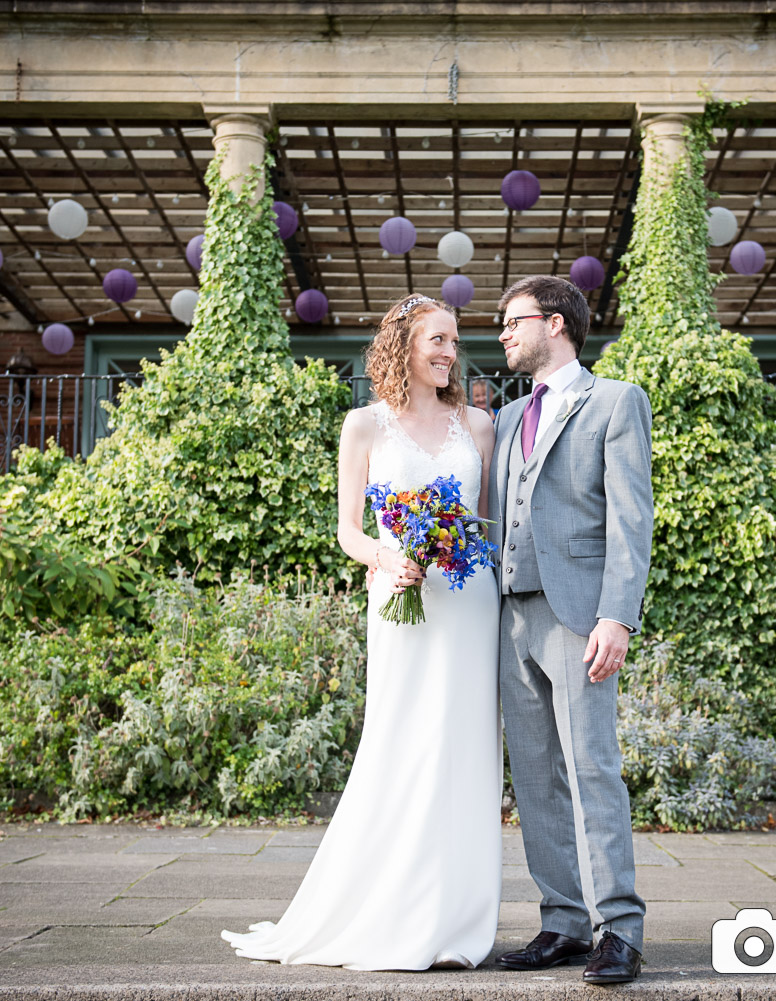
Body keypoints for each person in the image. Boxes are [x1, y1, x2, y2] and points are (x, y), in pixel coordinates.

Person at [220, 294, 502, 970]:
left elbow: (485, 524)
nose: (449, 352)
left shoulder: (481, 425)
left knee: (465, 753)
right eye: (437, 338)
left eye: (455, 341)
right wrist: (387, 556)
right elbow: (348, 528)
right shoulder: (364, 426)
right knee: (401, 746)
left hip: (468, 606)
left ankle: (456, 920)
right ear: (403, 343)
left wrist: (452, 548)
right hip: (399, 602)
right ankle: (387, 911)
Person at [489, 275, 653, 984]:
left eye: (512, 321)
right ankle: (561, 920)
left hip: (578, 613)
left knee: (591, 768)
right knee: (533, 777)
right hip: (509, 614)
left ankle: (618, 926)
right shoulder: (504, 416)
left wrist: (616, 613)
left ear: (554, 323)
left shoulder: (615, 400)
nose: (503, 334)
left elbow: (631, 516)